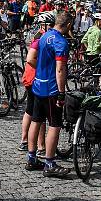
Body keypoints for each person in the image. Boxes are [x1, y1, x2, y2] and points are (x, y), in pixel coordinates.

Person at [25, 11, 71, 177]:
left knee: (36, 120)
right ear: (68, 25)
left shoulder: (44, 36)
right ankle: (49, 163)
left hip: (38, 84)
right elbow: (60, 69)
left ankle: (31, 158)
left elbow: (33, 58)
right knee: (55, 124)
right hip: (51, 88)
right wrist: (61, 92)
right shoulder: (61, 42)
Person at [18, 12, 52, 155]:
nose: (51, 28)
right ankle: (40, 146)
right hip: (35, 79)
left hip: (29, 78)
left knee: (30, 110)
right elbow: (30, 59)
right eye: (49, 25)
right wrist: (44, 66)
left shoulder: (38, 36)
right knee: (40, 113)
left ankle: (24, 140)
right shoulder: (41, 39)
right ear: (43, 25)